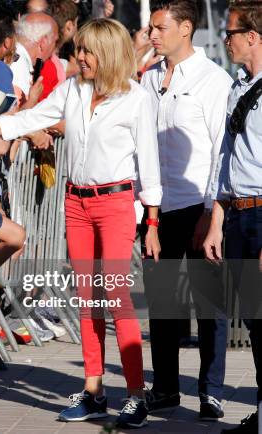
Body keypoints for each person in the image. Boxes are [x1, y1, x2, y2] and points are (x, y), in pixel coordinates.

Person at [0, 18, 162, 428]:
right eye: (79, 50)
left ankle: (137, 395)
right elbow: (27, 120)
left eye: (87, 51)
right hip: (77, 203)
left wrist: (153, 219)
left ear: (107, 53)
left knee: (117, 298)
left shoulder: (137, 99)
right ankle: (94, 390)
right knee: (88, 298)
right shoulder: (72, 89)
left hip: (116, 201)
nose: (79, 58)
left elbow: (150, 163)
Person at [139, 0, 233, 420]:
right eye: (151, 27)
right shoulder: (150, 77)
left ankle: (210, 391)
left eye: (159, 27)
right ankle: (165, 388)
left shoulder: (214, 80)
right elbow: (140, 144)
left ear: (186, 29)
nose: (153, 35)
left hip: (200, 203)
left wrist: (211, 210)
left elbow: (221, 150)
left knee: (208, 305)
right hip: (159, 207)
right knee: (162, 304)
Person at [203, 2, 262, 433]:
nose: (226, 40)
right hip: (238, 214)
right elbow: (228, 159)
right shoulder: (239, 87)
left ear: (253, 37)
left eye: (230, 33)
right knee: (256, 323)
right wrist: (217, 220)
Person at [10, 12, 59, 104]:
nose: (55, 48)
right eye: (55, 41)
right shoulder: (20, 68)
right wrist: (32, 101)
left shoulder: (12, 56)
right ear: (43, 42)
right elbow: (13, 116)